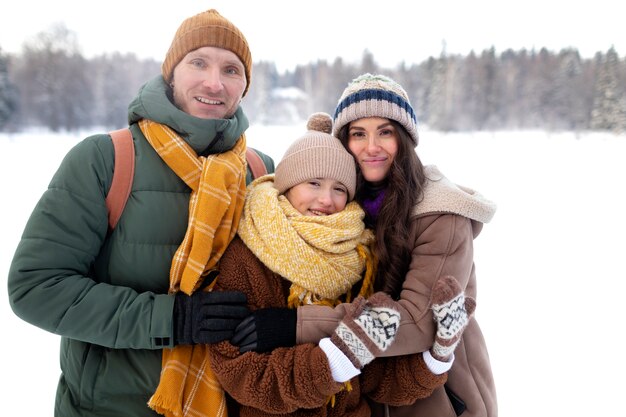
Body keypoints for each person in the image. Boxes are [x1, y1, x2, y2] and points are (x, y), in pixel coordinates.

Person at [7, 9, 273, 417]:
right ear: (172, 73)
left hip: (234, 403)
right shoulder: (106, 159)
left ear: (245, 86)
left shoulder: (261, 172)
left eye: (231, 70)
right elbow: (37, 287)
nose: (214, 82)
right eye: (198, 62)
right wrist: (170, 320)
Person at [231, 74, 498, 417]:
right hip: (367, 391)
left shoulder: (440, 214)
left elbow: (419, 323)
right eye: (358, 134)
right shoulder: (345, 210)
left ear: (405, 138)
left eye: (385, 131)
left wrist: (292, 324)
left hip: (436, 395)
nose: (372, 146)